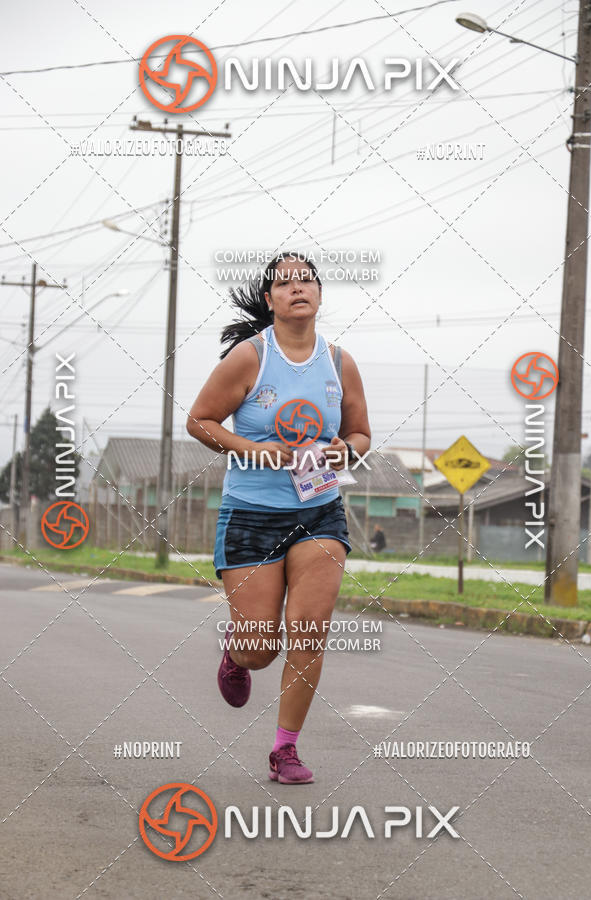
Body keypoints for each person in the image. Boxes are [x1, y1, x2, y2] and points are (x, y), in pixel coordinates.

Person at [186, 251, 370, 784]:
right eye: (285, 283)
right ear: (269, 300)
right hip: (251, 515)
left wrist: (344, 451)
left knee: (309, 631)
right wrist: (252, 449)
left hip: (319, 510)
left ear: (318, 294)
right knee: (261, 648)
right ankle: (236, 656)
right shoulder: (249, 358)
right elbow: (200, 421)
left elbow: (360, 433)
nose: (298, 287)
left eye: (307, 279)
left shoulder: (339, 363)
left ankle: (285, 749)